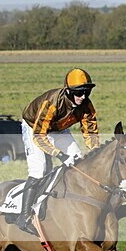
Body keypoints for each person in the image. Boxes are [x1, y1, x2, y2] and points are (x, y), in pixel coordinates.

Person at [16, 68, 100, 234]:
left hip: (59, 129)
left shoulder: (86, 106)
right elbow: (39, 136)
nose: (83, 96)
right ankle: (23, 217)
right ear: (68, 91)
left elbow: (90, 132)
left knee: (78, 161)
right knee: (39, 170)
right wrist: (59, 155)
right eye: (79, 92)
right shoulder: (52, 103)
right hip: (34, 128)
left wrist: (95, 153)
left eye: (87, 92)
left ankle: (72, 204)